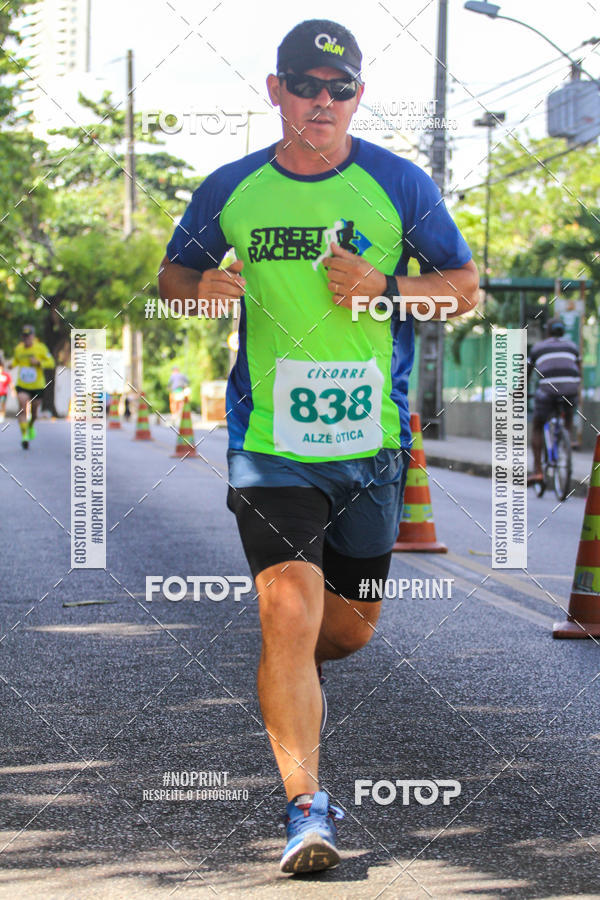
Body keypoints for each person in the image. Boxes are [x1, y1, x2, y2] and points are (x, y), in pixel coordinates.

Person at [159, 18, 478, 874]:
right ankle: (307, 809)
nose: (322, 101)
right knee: (289, 615)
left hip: (371, 452)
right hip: (270, 445)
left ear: (358, 97)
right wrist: (202, 287)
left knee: (346, 631)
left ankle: (286, 670)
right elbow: (172, 276)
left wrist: (389, 285)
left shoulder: (400, 186)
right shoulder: (231, 189)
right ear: (276, 91)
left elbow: (465, 290)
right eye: (305, 84)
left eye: (340, 88)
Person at [527, 317, 581, 484]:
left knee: (537, 425)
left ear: (547, 331)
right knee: (569, 414)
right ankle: (566, 439)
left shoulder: (538, 348)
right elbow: (578, 369)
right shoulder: (572, 347)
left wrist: (519, 390)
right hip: (571, 388)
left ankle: (538, 471)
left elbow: (527, 373)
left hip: (548, 391)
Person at [11, 325, 54, 449]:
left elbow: (51, 363)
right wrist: (8, 365)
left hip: (37, 386)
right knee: (22, 407)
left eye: (28, 336)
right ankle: (24, 435)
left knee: (34, 412)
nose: (26, 339)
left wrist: (39, 362)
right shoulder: (18, 349)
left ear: (33, 336)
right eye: (24, 336)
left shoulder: (41, 348)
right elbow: (14, 362)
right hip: (22, 385)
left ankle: (30, 426)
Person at [0, 357, 13, 422]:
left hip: (3, 393)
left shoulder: (6, 375)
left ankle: (1, 417)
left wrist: (13, 391)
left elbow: (10, 383)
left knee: (3, 404)